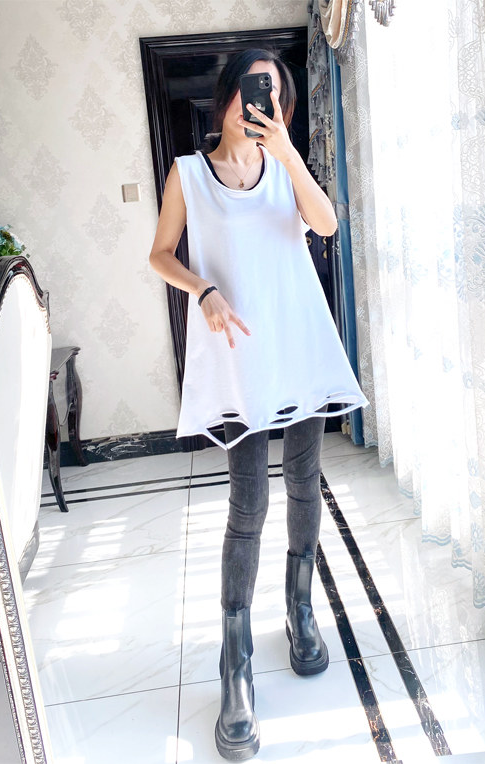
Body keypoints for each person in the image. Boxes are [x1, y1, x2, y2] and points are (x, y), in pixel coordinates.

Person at [149, 48, 367, 761]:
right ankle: (235, 658)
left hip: (298, 343)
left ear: (283, 105)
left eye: (273, 94)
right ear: (226, 96)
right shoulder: (188, 173)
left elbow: (326, 225)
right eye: (252, 90)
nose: (260, 103)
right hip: (239, 358)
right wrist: (202, 289)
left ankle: (301, 609)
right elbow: (160, 253)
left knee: (305, 482)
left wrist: (289, 154)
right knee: (250, 502)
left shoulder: (284, 168)